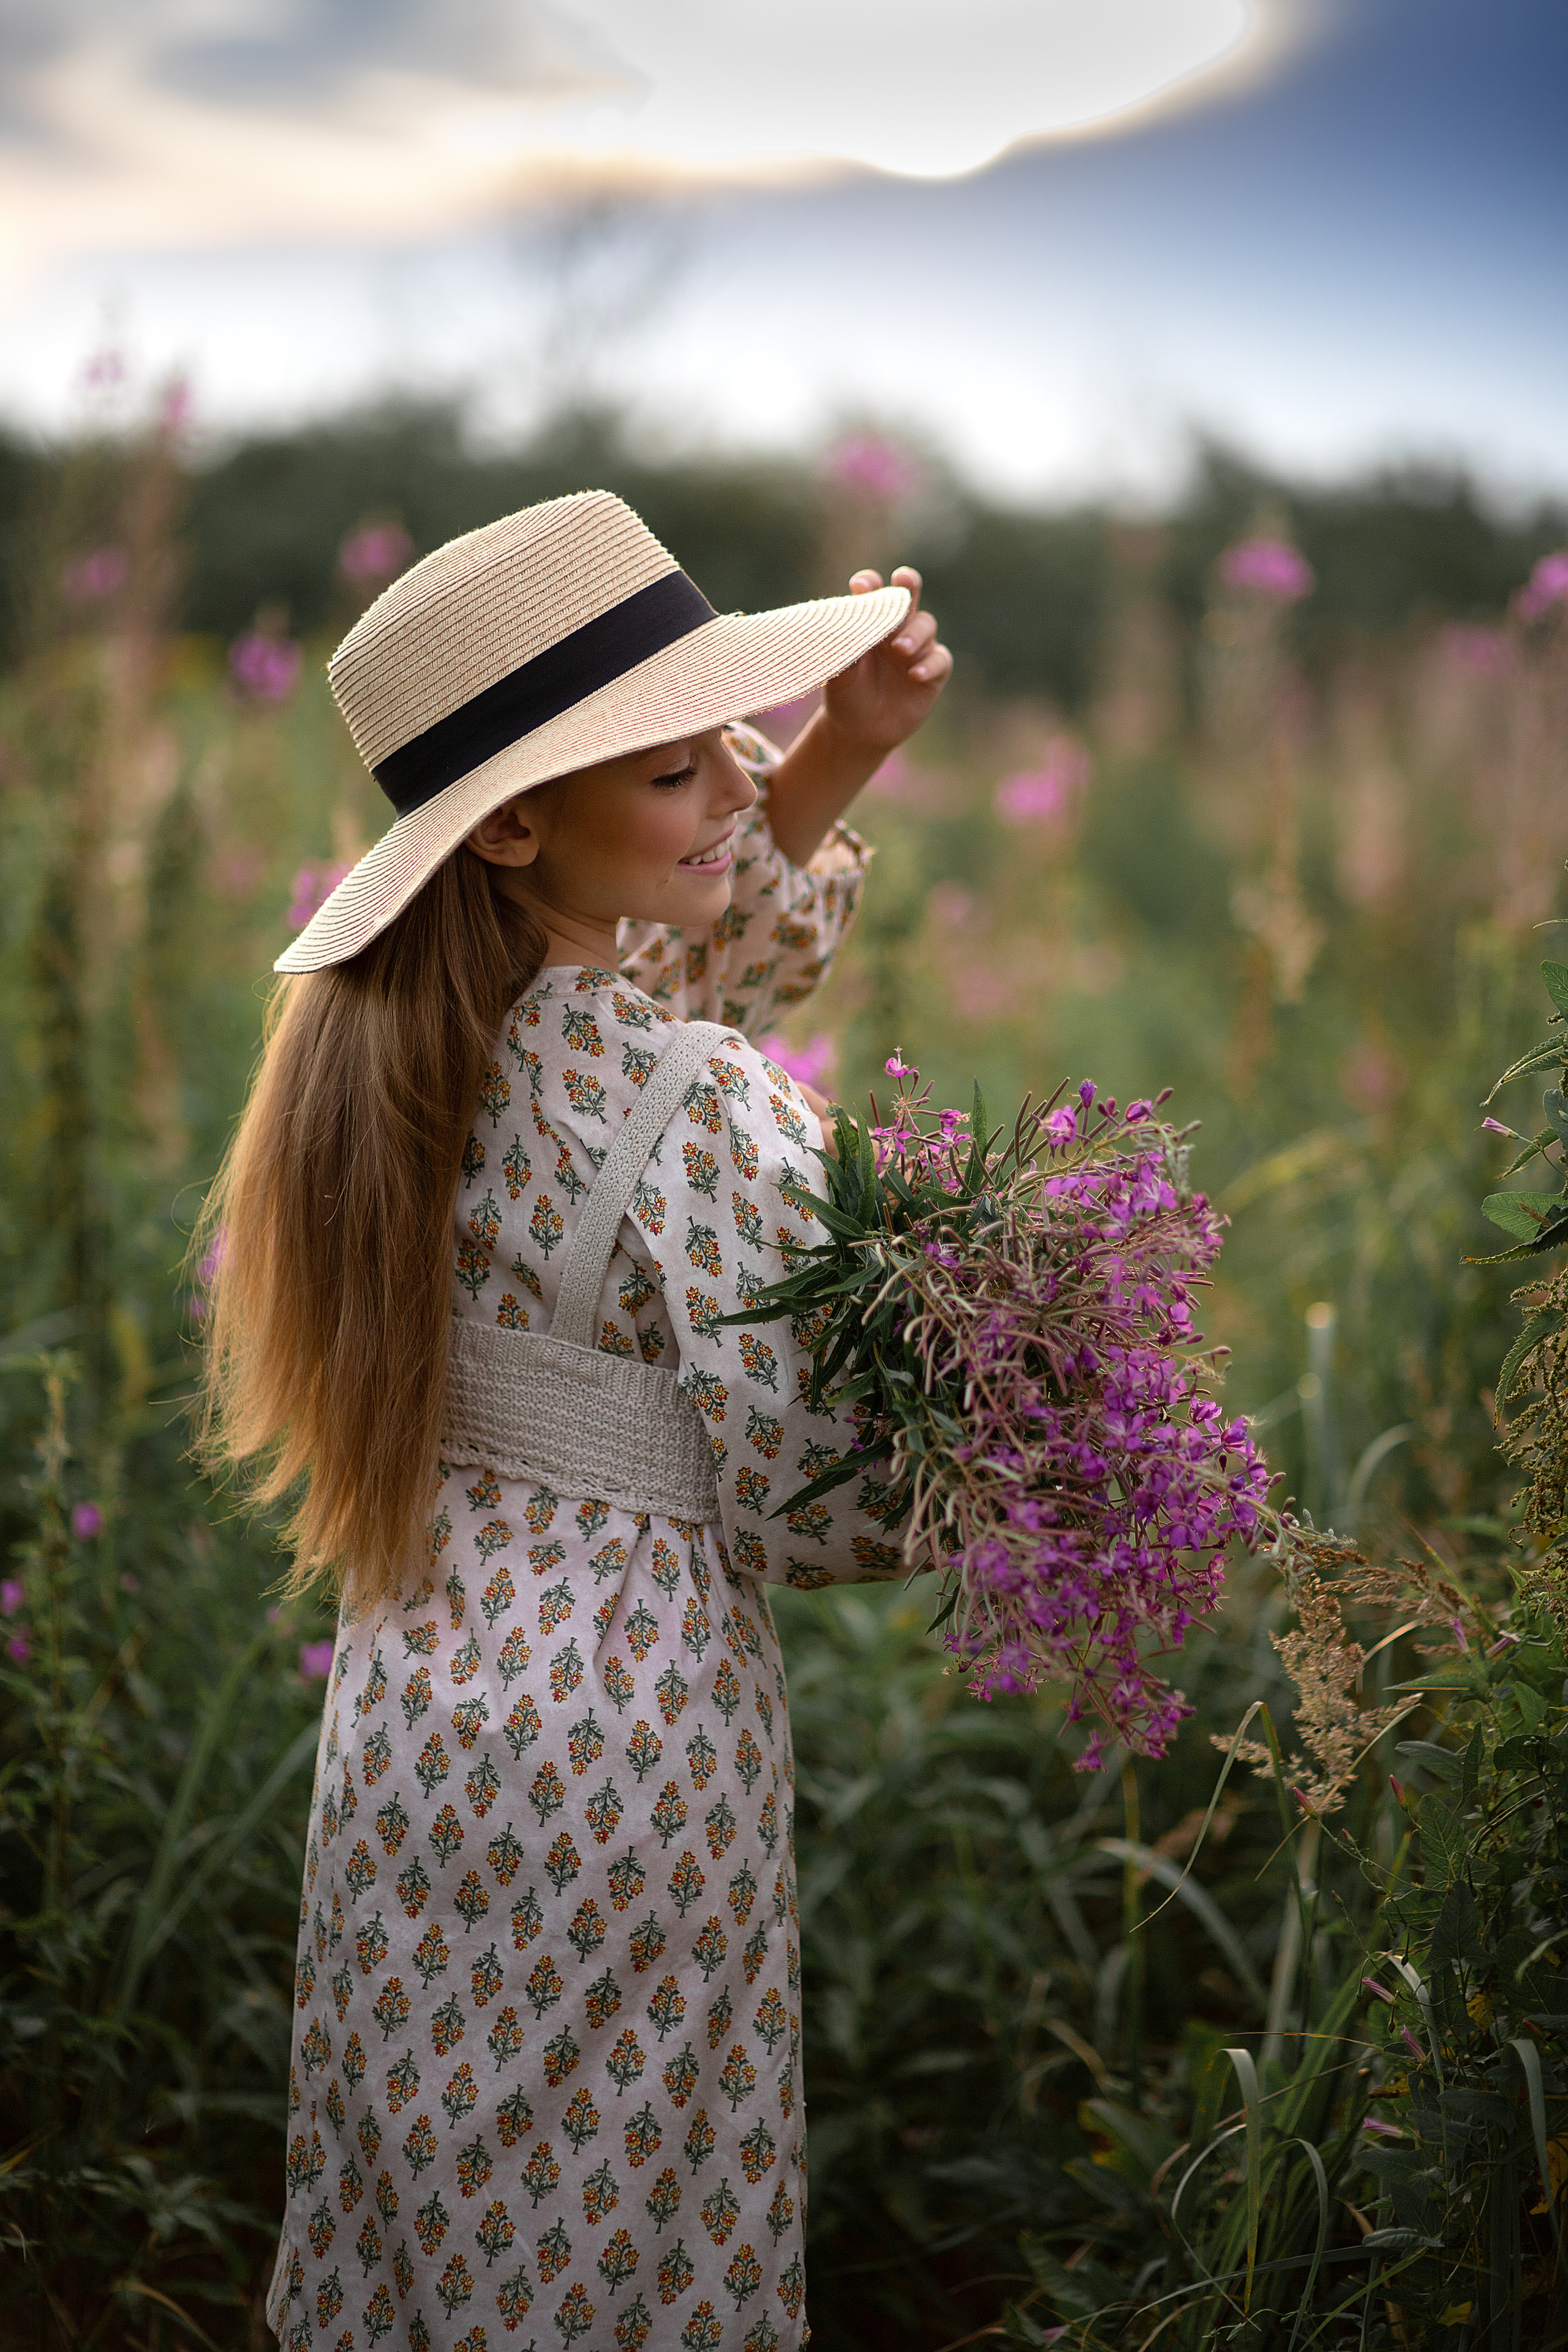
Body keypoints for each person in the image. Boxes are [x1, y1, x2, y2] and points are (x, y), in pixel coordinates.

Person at [197, 489, 951, 2351]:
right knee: (632, 2237)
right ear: (524, 822)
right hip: (636, 1752)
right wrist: (1000, 1407)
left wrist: (828, 758)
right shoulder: (693, 1101)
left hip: (413, 1720)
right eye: (689, 772)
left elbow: (666, 961)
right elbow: (831, 1493)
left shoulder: (394, 1049)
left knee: (431, 2213)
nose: (739, 791)